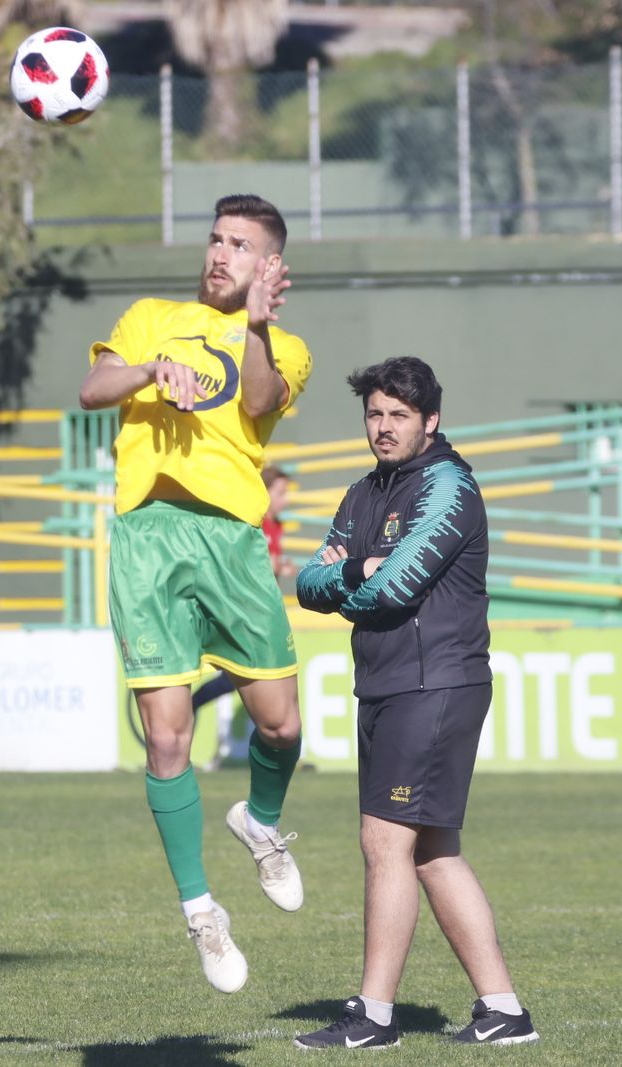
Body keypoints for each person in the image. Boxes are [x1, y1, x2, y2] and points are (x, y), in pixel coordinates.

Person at [79, 194, 313, 994]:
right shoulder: (151, 315)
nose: (220, 252)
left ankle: (260, 820)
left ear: (268, 266)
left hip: (233, 542)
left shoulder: (287, 347)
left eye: (240, 244)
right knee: (168, 740)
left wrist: (250, 326)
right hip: (148, 538)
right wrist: (147, 368)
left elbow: (255, 401)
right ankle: (200, 911)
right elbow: (91, 388)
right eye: (215, 238)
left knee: (280, 725)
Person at [293, 356, 539, 1048]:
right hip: (388, 683)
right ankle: (504, 1010)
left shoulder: (450, 488)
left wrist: (354, 586)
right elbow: (310, 581)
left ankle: (373, 1016)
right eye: (375, 413)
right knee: (430, 850)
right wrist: (350, 571)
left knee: (384, 840)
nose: (383, 426)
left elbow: (394, 590)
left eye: (399, 415)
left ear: (431, 421)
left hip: (435, 684)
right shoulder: (362, 493)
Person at [190, 465, 295, 716]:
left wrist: (279, 567)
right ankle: (191, 706)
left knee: (257, 680)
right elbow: (249, 564)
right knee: (242, 677)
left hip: (261, 612)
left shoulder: (275, 525)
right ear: (265, 493)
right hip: (244, 612)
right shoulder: (252, 522)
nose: (286, 499)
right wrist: (275, 566)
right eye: (281, 492)